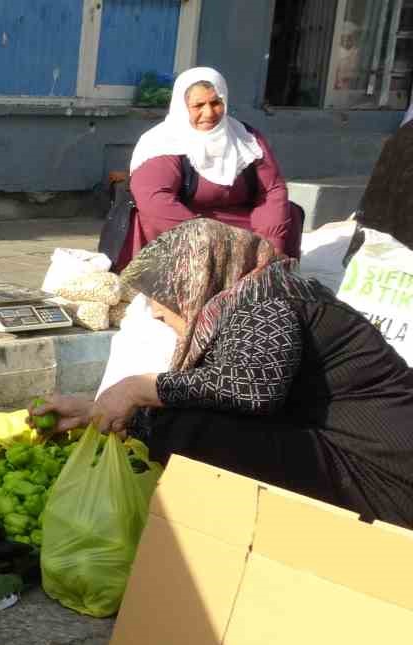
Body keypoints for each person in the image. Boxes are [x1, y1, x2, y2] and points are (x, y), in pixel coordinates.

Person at [38, 219, 413, 528]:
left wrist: (139, 388)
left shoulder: (265, 305)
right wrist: (99, 411)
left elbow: (249, 387)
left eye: (163, 294)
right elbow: (233, 389)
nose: (154, 311)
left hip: (387, 481)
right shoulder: (261, 294)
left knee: (191, 429)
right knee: (185, 415)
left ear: (198, 279)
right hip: (360, 463)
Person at [113, 67, 301, 271]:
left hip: (239, 226)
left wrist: (268, 248)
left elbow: (272, 191)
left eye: (216, 103)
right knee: (146, 218)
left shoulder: (246, 139)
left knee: (288, 211)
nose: (209, 113)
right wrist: (212, 243)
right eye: (198, 105)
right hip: (186, 231)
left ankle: (268, 271)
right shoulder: (162, 143)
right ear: (182, 107)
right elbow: (156, 200)